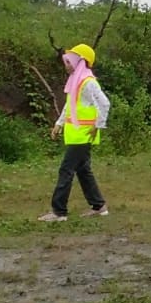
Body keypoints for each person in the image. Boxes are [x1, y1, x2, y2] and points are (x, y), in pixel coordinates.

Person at [38, 43, 109, 222]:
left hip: (83, 134)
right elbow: (70, 106)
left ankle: (59, 212)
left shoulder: (88, 83)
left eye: (70, 62)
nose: (67, 65)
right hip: (76, 133)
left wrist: (98, 125)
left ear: (80, 62)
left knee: (66, 169)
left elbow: (105, 104)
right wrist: (59, 124)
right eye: (66, 61)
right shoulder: (75, 82)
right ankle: (99, 206)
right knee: (83, 170)